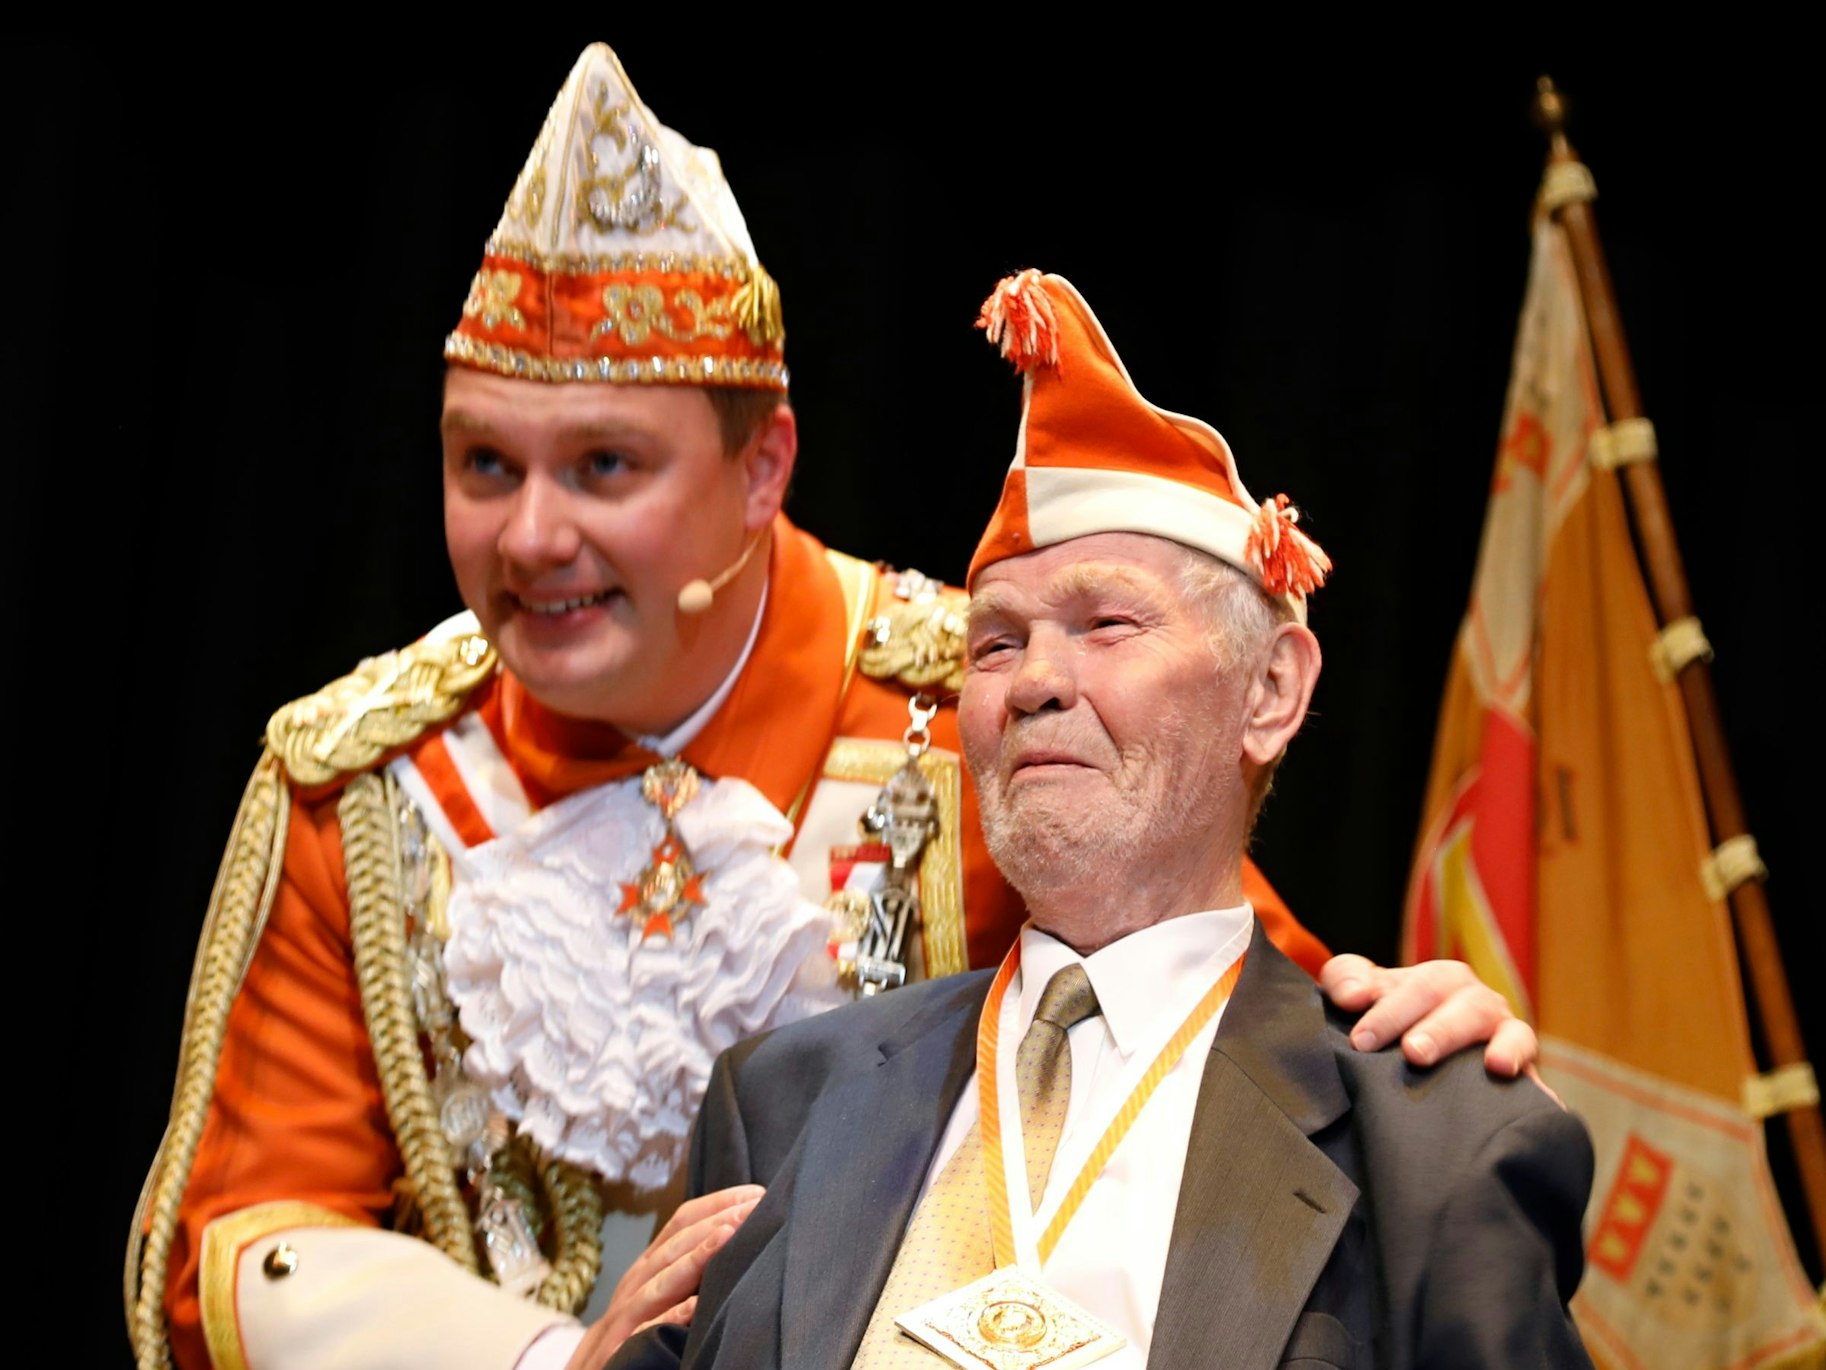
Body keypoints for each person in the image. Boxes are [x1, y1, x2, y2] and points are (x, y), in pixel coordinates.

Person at [123, 45, 1544, 1370]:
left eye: (604, 466)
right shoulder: (373, 781)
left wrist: (1406, 1022)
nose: (530, 537)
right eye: (484, 467)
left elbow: (1227, 1007)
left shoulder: (970, 699)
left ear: (763, 470)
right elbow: (235, 1245)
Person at [597, 269, 1595, 1370]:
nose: (1034, 681)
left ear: (1268, 690)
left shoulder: (1432, 1136)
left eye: (1106, 622)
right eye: (994, 642)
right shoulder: (784, 1101)